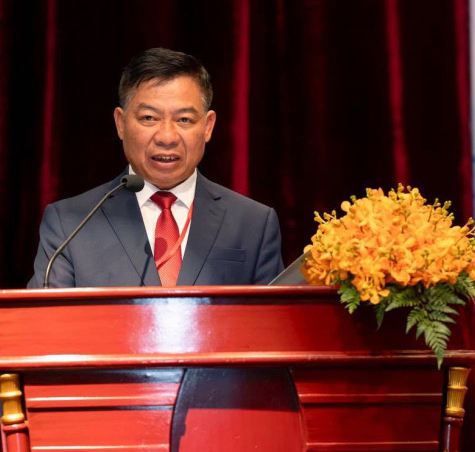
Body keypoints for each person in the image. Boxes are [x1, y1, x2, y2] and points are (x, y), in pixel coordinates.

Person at [28, 47, 284, 287]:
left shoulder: (253, 224)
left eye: (184, 119)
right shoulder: (70, 224)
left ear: (208, 127)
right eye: (149, 118)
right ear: (121, 123)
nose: (167, 137)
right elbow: (45, 318)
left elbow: (272, 318)